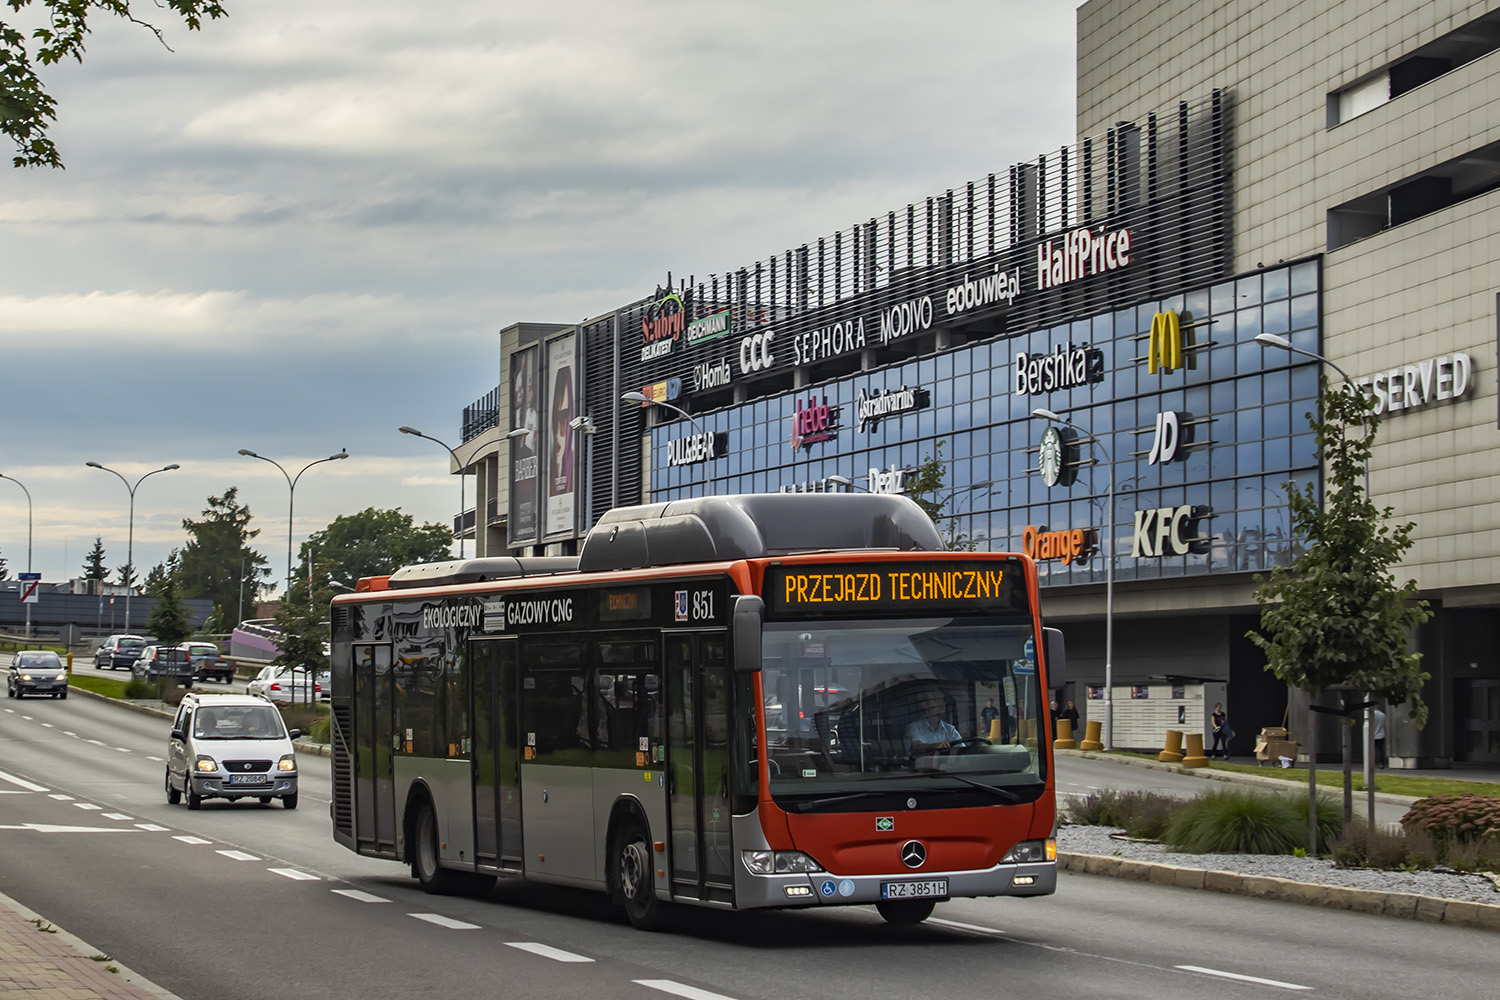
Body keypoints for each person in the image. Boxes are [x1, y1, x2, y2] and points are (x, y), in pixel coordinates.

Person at [906, 687, 962, 754]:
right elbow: (917, 746)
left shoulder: (950, 729)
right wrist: (934, 746)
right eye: (936, 699)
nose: (942, 703)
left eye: (942, 699)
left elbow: (961, 748)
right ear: (925, 704)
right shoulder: (913, 727)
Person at [1372, 704, 1387, 769]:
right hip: (1381, 734)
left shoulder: (1371, 715)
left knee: (1371, 750)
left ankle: (1371, 762)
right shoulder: (1382, 715)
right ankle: (1381, 763)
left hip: (1372, 735)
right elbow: (1384, 724)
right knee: (1380, 749)